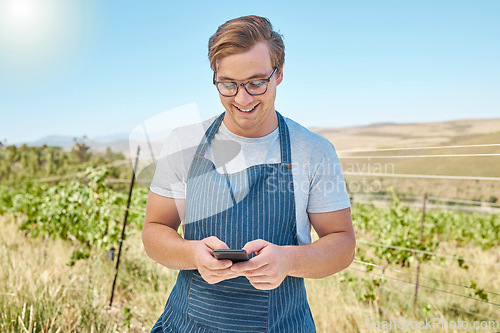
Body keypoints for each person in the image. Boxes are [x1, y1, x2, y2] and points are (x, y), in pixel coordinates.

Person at [143, 15, 355, 333]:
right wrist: (192, 253)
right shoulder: (184, 143)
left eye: (256, 83)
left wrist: (288, 260)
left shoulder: (312, 150)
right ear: (215, 77)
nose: (243, 99)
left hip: (283, 325)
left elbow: (342, 244)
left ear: (279, 74)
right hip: (188, 324)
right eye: (229, 84)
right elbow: (154, 231)